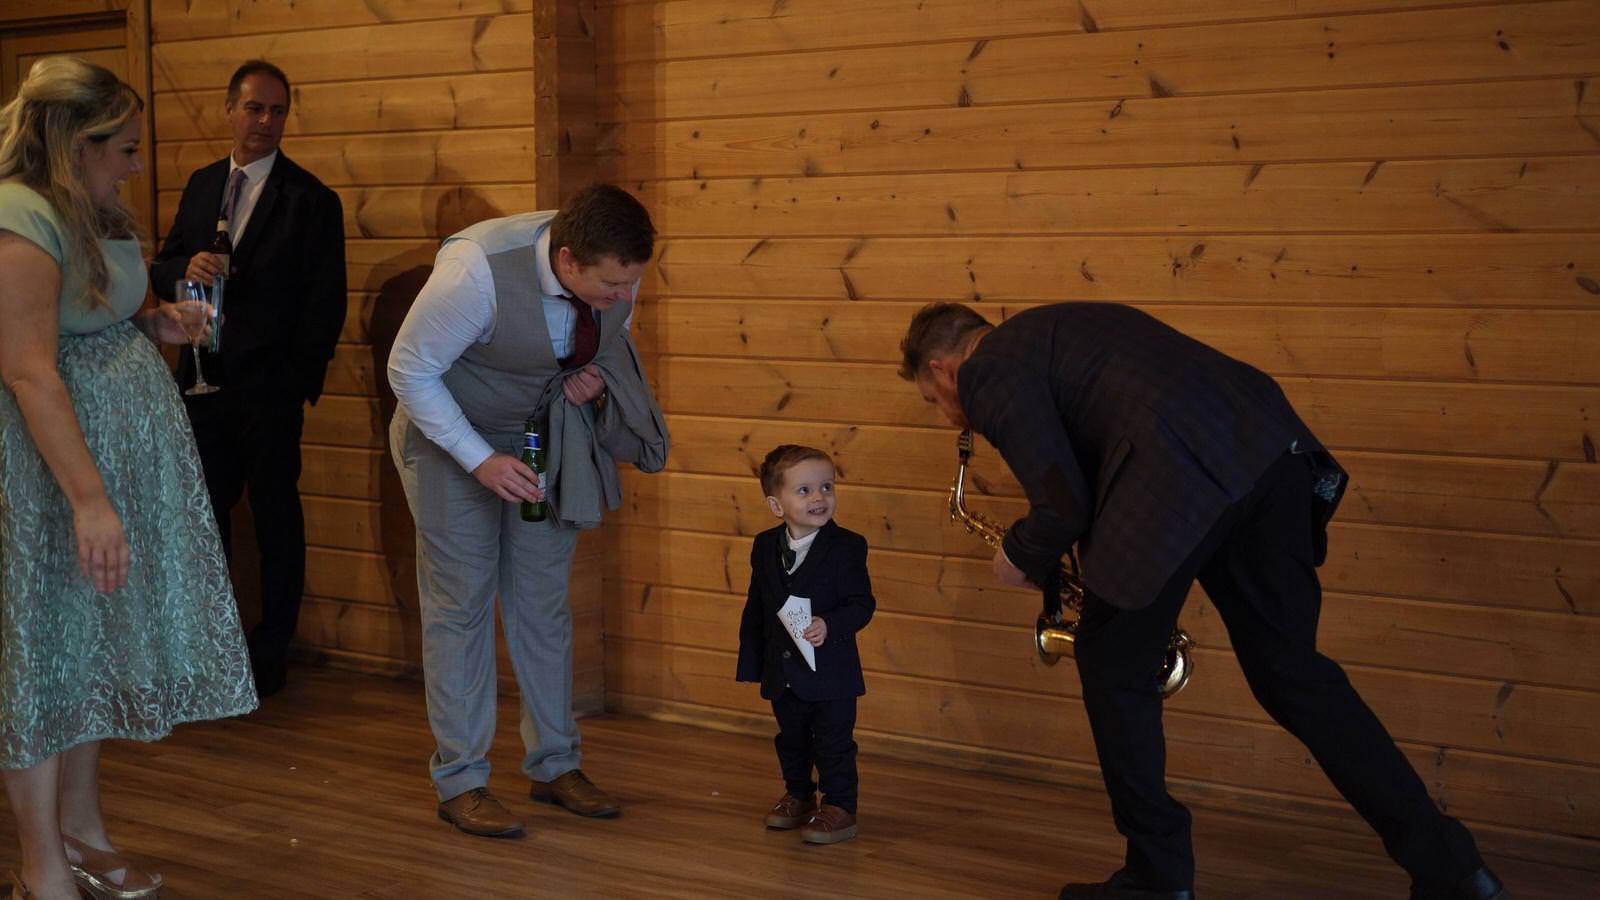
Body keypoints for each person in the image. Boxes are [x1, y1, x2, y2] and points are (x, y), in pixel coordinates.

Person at [899, 302, 1509, 900]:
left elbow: (1064, 503)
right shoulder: (1069, 325)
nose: (950, 418)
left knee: (1114, 672)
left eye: (935, 402)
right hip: (1273, 456)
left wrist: (1021, 556)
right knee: (1296, 676)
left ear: (942, 368)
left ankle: (1157, 877)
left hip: (1175, 484)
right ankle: (1453, 870)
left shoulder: (990, 367)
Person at [0, 56, 257, 900]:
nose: (138, 165)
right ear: (76, 142)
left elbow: (99, 319)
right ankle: (41, 866)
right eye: (126, 148)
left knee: (87, 652)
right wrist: (89, 499)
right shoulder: (16, 218)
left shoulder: (92, 208)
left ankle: (82, 829)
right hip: (51, 473)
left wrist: (158, 320)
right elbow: (31, 370)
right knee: (38, 657)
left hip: (114, 458)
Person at [387, 183, 669, 838]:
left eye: (631, 283)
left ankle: (555, 764)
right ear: (567, 260)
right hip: (450, 441)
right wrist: (479, 459)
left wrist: (591, 376)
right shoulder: (475, 272)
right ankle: (462, 780)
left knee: (542, 602)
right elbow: (410, 370)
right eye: (611, 284)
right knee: (460, 606)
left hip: (544, 440)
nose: (624, 297)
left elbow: (593, 339)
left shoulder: (615, 273)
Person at [149, 59, 347, 699]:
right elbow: (162, 266)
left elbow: (326, 303)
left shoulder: (312, 200)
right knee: (204, 520)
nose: (266, 121)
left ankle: (269, 655)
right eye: (256, 109)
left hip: (269, 391)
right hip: (201, 382)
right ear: (229, 110)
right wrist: (189, 264)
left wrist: (294, 383)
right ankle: (213, 650)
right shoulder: (203, 183)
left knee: (274, 520)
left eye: (278, 111)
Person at [737, 444, 876, 845]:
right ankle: (799, 794)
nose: (819, 498)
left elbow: (862, 604)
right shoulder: (765, 546)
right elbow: (756, 606)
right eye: (804, 490)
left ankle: (839, 806)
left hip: (832, 673)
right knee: (791, 738)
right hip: (785, 671)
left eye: (826, 487)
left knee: (834, 742)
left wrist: (829, 624)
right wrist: (752, 663)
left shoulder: (848, 546)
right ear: (776, 505)